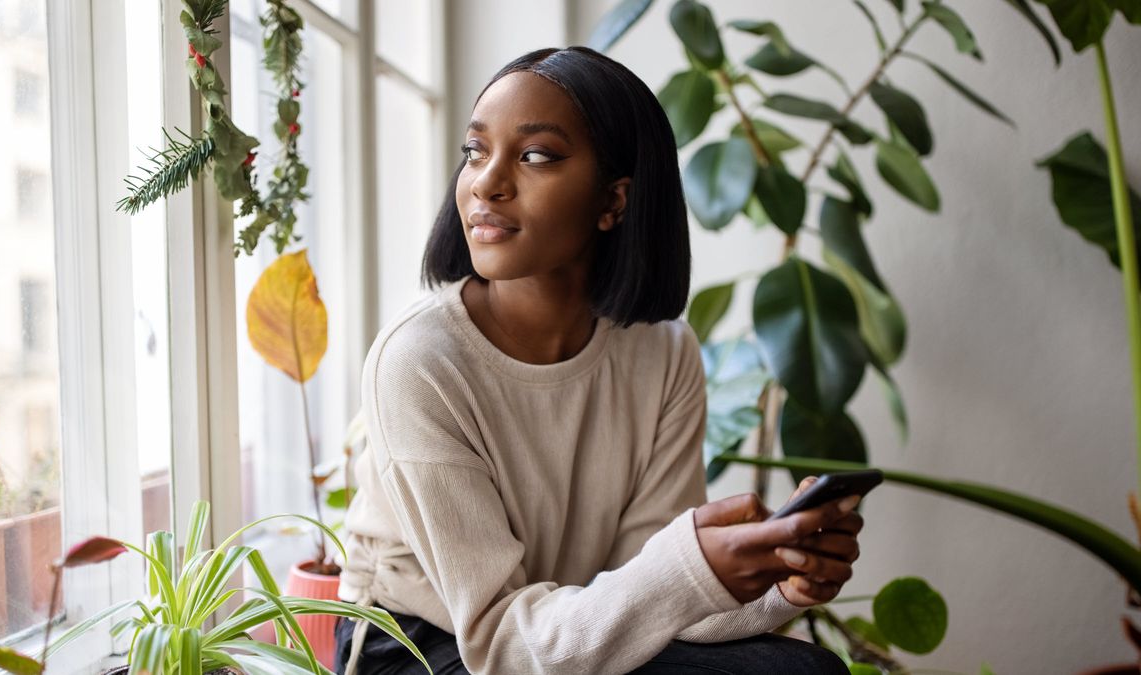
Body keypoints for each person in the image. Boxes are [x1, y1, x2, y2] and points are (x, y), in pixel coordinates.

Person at [332, 46, 861, 675]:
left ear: (614, 200)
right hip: (423, 644)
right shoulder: (419, 361)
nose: (486, 182)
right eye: (476, 151)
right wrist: (689, 566)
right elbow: (501, 643)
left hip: (567, 628)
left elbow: (645, 598)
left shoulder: (663, 355)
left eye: (534, 156)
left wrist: (780, 582)